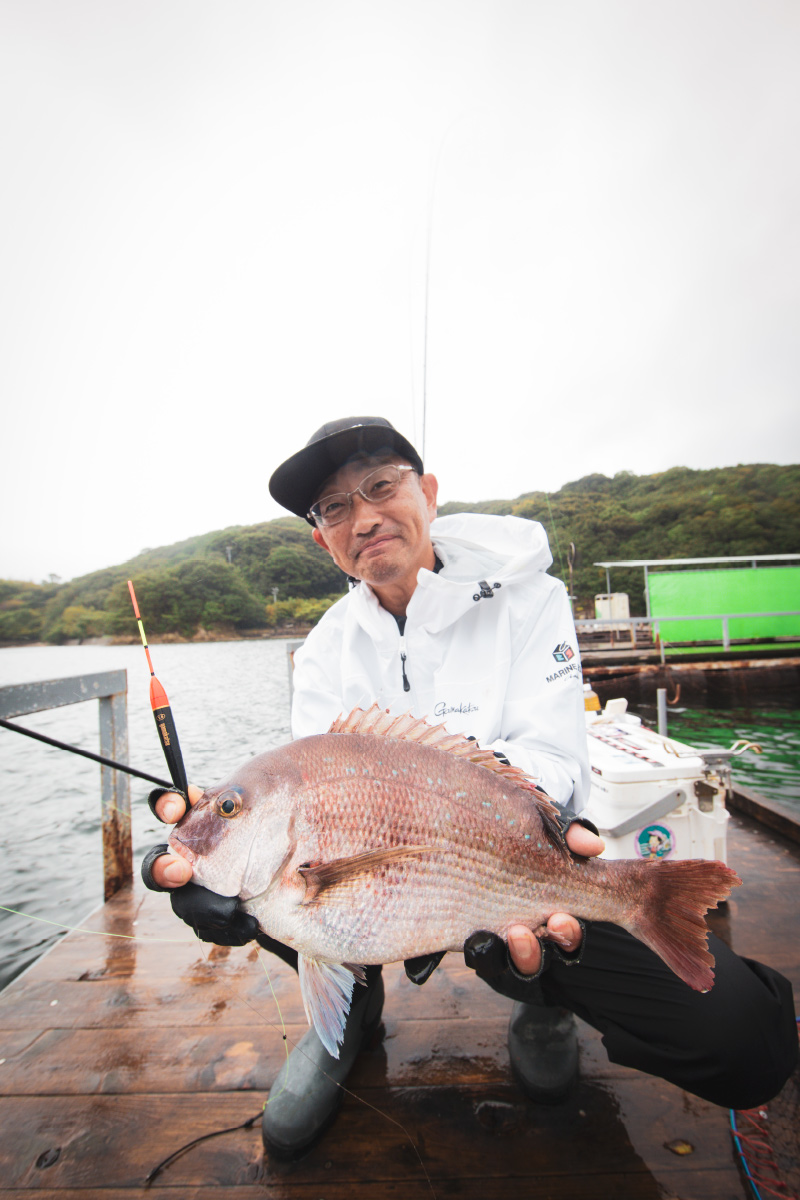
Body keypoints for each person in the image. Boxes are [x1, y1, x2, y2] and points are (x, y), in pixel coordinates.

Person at [143, 416, 797, 1158]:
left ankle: (543, 996)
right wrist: (212, 867)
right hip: (372, 898)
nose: (362, 517)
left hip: (534, 860)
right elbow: (305, 788)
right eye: (332, 508)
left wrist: (485, 828)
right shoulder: (323, 649)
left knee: (745, 1043)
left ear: (425, 492)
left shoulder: (531, 596)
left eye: (380, 486)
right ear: (320, 538)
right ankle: (347, 1013)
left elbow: (555, 757)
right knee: (277, 885)